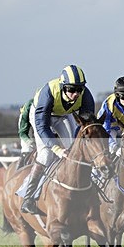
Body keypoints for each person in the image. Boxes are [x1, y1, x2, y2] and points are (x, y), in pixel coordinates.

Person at [20, 65, 95, 215]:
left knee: (75, 150)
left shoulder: (86, 95)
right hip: (42, 117)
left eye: (79, 89)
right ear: (62, 87)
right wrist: (56, 148)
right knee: (46, 155)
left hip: (64, 114)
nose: (76, 94)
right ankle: (28, 198)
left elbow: (85, 126)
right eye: (71, 90)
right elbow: (42, 127)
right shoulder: (48, 93)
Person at [17, 99, 35, 166]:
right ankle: (19, 168)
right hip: (28, 148)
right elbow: (23, 134)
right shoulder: (24, 117)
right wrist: (31, 143)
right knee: (27, 149)